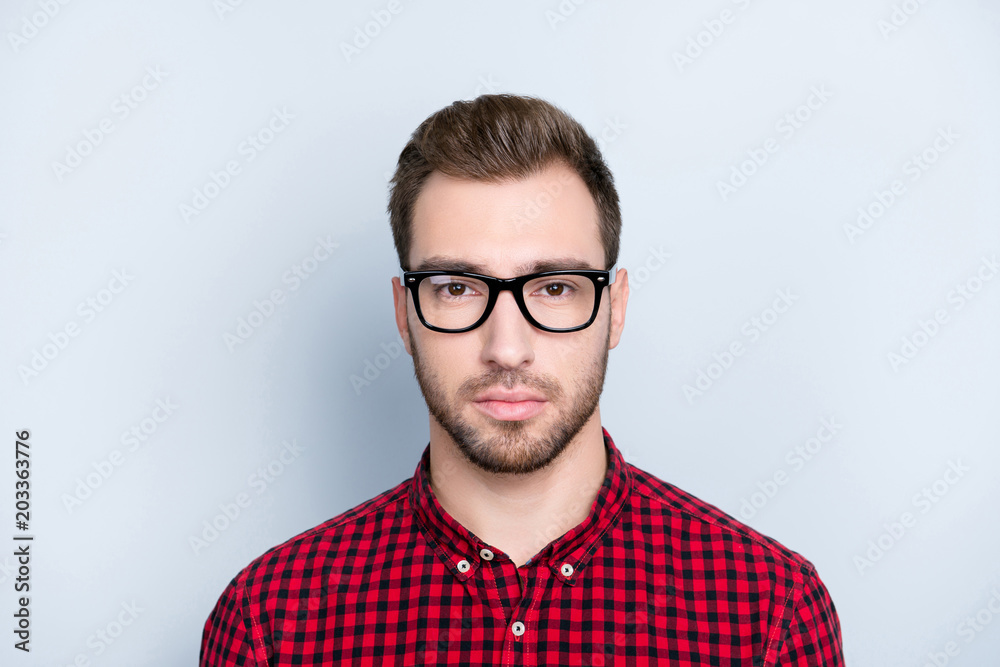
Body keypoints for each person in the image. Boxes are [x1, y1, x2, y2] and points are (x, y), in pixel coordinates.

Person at [201, 94, 843, 665]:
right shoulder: (271, 625)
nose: (507, 348)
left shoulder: (769, 614)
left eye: (555, 287)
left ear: (614, 309)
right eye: (456, 287)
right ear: (404, 313)